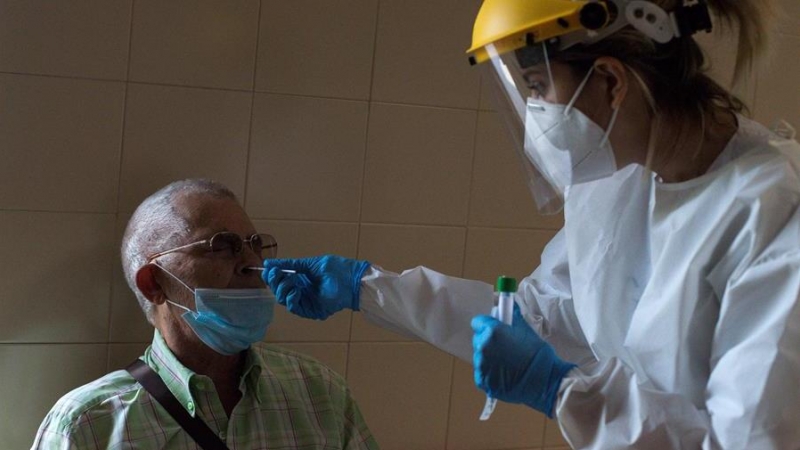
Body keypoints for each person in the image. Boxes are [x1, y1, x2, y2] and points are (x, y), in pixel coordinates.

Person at [260, 0, 800, 448]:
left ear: (611, 81)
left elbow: (747, 441)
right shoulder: (624, 183)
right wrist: (371, 290)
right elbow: (542, 318)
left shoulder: (775, 214)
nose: (534, 112)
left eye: (538, 87)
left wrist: (561, 391)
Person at [32, 179, 378, 450]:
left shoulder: (320, 396)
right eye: (223, 246)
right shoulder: (90, 425)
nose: (254, 264)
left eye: (255, 244)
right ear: (155, 283)